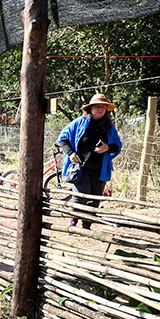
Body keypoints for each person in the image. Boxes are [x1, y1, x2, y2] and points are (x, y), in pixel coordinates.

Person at [57, 93, 123, 229]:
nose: (100, 109)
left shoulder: (109, 127)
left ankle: (87, 225)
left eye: (103, 107)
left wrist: (107, 148)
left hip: (100, 168)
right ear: (90, 108)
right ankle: (74, 219)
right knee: (81, 195)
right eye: (97, 106)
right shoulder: (79, 122)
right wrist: (70, 153)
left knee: (95, 198)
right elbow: (62, 139)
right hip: (81, 167)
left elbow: (117, 145)